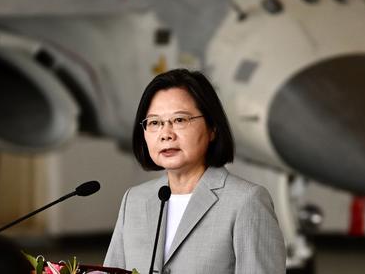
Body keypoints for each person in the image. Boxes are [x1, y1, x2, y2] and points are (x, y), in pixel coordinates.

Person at [104, 69, 285, 273]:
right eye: (155, 122)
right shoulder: (134, 201)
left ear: (212, 128)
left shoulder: (246, 202)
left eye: (180, 120)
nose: (166, 134)